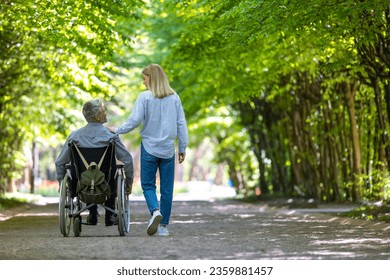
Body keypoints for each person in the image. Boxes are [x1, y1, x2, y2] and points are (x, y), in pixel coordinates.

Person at [111, 64, 188, 236]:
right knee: (167, 189)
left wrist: (117, 130)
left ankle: (155, 211)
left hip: (149, 148)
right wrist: (182, 147)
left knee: (147, 185)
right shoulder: (174, 97)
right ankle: (163, 227)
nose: (143, 82)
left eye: (144, 78)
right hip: (168, 149)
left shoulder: (144, 97)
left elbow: (135, 120)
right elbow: (181, 123)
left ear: (151, 78)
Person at [55, 99, 134, 226]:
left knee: (86, 174)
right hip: (107, 185)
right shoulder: (111, 136)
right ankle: (110, 215)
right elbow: (127, 159)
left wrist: (61, 182)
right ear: (97, 116)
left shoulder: (74, 137)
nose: (106, 114)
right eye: (104, 111)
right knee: (109, 172)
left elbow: (60, 162)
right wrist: (129, 182)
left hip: (81, 186)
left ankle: (92, 214)